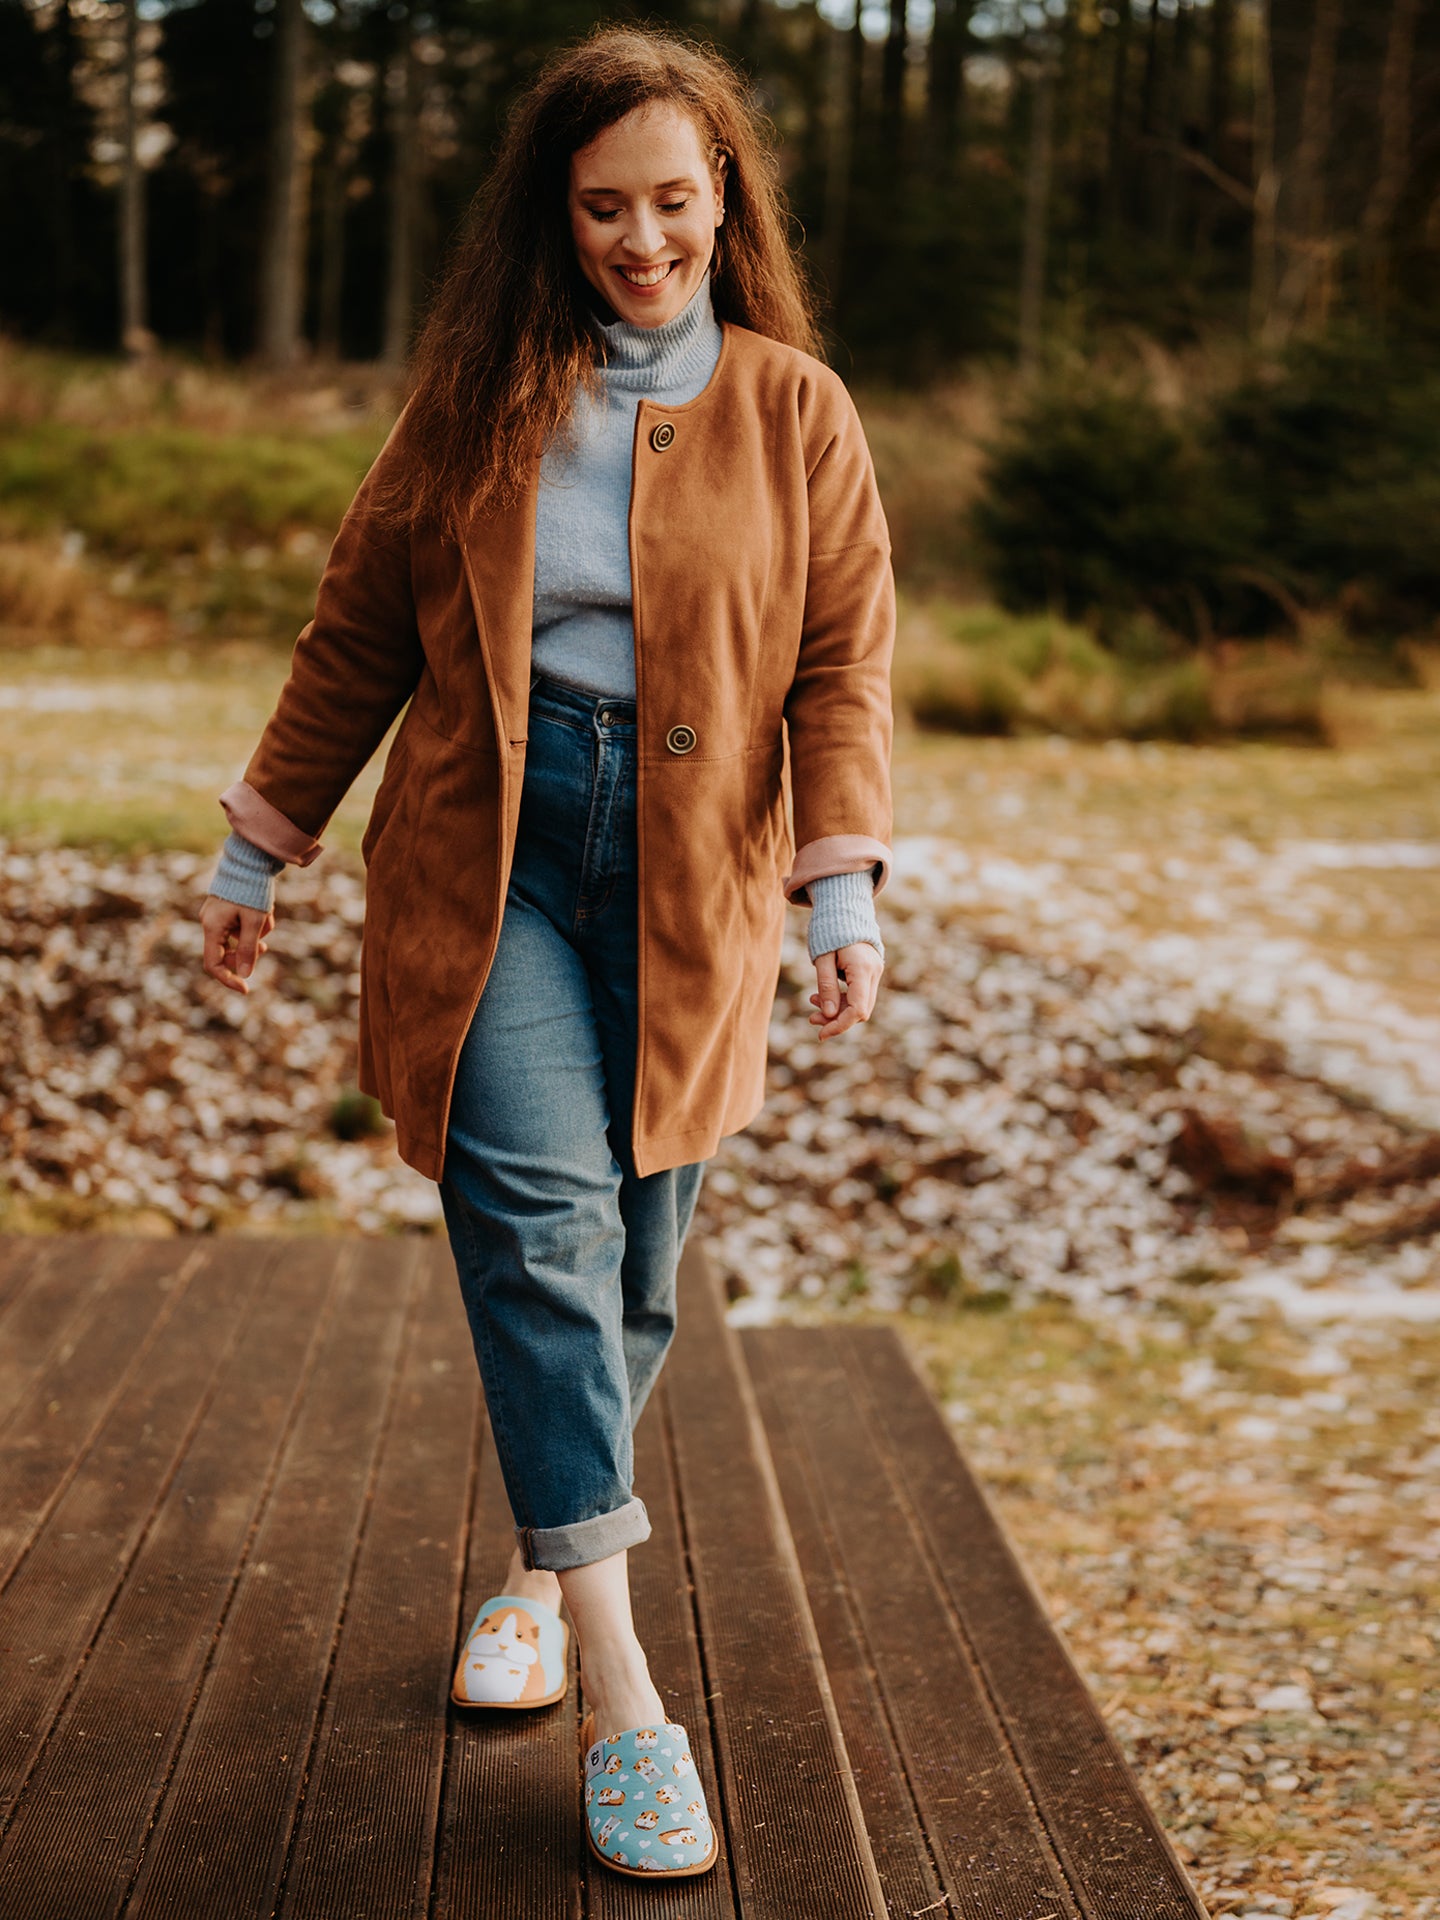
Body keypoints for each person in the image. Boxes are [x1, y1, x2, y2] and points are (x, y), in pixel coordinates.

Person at [198, 25, 893, 1882]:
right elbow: (358, 633)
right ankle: (624, 1695)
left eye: (675, 200)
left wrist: (843, 889)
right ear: (555, 215)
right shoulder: (477, 397)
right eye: (605, 208)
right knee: (537, 1217)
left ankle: (531, 1564)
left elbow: (841, 668)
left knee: (638, 1252)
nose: (643, 239)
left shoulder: (795, 409)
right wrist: (257, 849)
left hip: (690, 881)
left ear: (724, 196)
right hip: (485, 855)